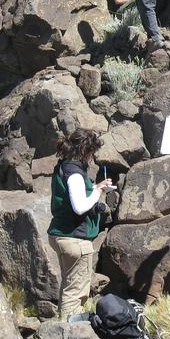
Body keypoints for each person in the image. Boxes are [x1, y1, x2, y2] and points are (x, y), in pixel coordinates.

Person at [47, 129, 113, 318]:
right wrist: (97, 193)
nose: (92, 158)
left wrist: (95, 186)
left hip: (62, 234)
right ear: (85, 151)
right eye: (92, 152)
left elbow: (72, 195)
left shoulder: (65, 166)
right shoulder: (75, 172)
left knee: (69, 286)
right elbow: (79, 207)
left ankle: (61, 326)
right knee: (76, 292)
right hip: (74, 238)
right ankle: (69, 333)